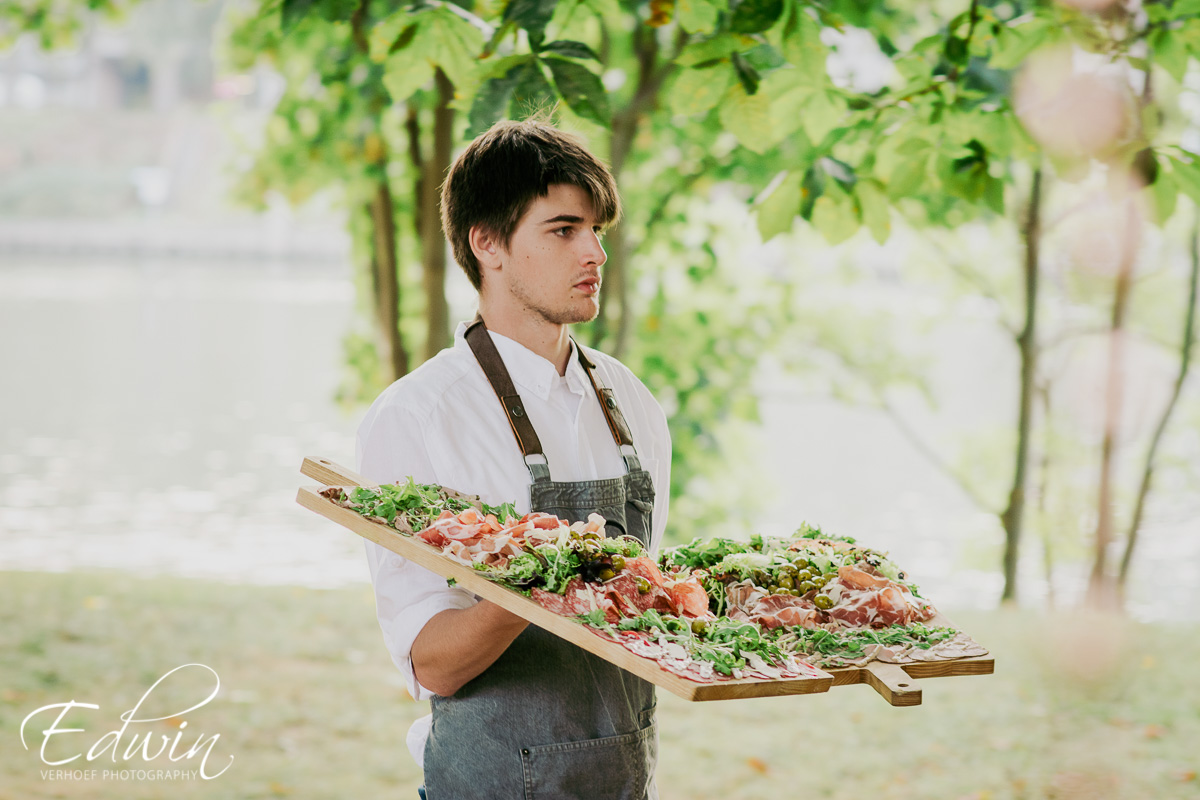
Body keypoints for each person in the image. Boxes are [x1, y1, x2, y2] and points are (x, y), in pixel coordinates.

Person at [355, 118, 673, 800]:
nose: (594, 253)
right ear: (487, 243)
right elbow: (434, 662)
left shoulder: (633, 403)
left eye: (597, 231)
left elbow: (647, 616)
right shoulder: (418, 416)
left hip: (626, 782)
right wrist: (540, 581)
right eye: (563, 230)